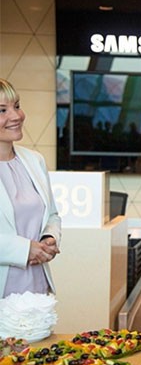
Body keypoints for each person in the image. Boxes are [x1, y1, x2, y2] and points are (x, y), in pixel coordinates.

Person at [0, 78, 61, 297]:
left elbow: (52, 215)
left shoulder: (34, 160)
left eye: (16, 106)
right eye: (2, 110)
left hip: (37, 288)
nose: (16, 116)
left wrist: (49, 238)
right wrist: (25, 249)